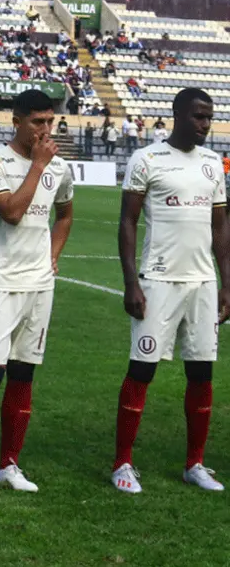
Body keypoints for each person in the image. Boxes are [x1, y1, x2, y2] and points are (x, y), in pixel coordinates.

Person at [112, 88, 230, 494]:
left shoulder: (214, 164)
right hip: (158, 281)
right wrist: (131, 281)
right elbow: (127, 222)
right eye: (198, 116)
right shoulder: (146, 159)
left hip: (202, 283)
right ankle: (122, 462)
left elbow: (220, 227)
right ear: (177, 114)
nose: (205, 123)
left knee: (201, 372)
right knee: (142, 370)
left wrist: (226, 282)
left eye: (209, 117)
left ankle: (194, 463)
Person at [0, 90, 74, 502]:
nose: (45, 130)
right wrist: (38, 166)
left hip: (39, 285)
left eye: (50, 122)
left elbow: (65, 213)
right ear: (16, 122)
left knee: (24, 376)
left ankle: (8, 465)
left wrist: (53, 254)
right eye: (37, 122)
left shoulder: (59, 167)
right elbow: (11, 211)